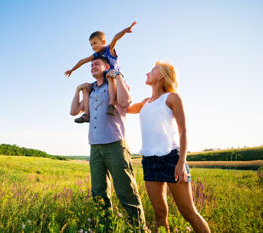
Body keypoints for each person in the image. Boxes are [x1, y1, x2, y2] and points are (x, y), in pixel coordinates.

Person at [127, 61, 211, 232]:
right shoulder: (145, 103)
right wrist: (119, 83)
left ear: (161, 76)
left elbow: (183, 130)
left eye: (152, 70)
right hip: (149, 161)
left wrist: (181, 162)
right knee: (159, 214)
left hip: (172, 159)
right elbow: (124, 109)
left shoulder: (172, 98)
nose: (147, 73)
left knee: (188, 212)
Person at [70, 56, 146, 226]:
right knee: (98, 192)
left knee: (126, 190)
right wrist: (77, 90)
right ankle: (106, 227)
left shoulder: (115, 84)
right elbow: (73, 111)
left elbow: (126, 102)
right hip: (95, 147)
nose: (92, 67)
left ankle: (138, 228)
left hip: (115, 145)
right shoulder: (91, 91)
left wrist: (117, 75)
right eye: (90, 65)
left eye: (96, 64)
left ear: (106, 66)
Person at [65, 21, 136, 123]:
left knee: (109, 77)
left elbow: (116, 38)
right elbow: (83, 61)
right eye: (91, 45)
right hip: (102, 80)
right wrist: (72, 70)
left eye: (95, 43)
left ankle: (111, 105)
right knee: (85, 88)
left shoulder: (109, 49)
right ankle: (87, 114)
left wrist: (126, 30)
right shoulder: (95, 55)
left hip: (113, 77)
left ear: (103, 42)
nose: (93, 47)